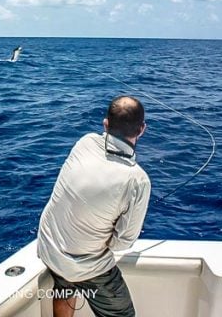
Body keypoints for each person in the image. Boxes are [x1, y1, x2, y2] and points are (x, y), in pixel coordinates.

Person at [37, 95, 151, 317]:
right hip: (87, 266)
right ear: (142, 129)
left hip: (50, 247)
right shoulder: (138, 180)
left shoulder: (85, 141)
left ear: (105, 124)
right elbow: (122, 244)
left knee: (65, 288)